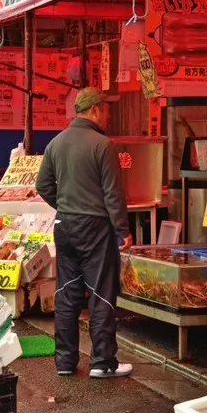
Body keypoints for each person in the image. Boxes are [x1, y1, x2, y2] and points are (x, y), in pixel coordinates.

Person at [36, 87, 134, 379]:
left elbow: (43, 185)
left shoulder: (55, 143)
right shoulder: (103, 145)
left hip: (65, 225)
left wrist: (65, 206)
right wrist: (123, 230)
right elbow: (113, 194)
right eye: (105, 109)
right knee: (100, 293)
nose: (107, 115)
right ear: (94, 109)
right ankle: (102, 363)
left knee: (67, 292)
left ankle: (65, 362)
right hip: (95, 227)